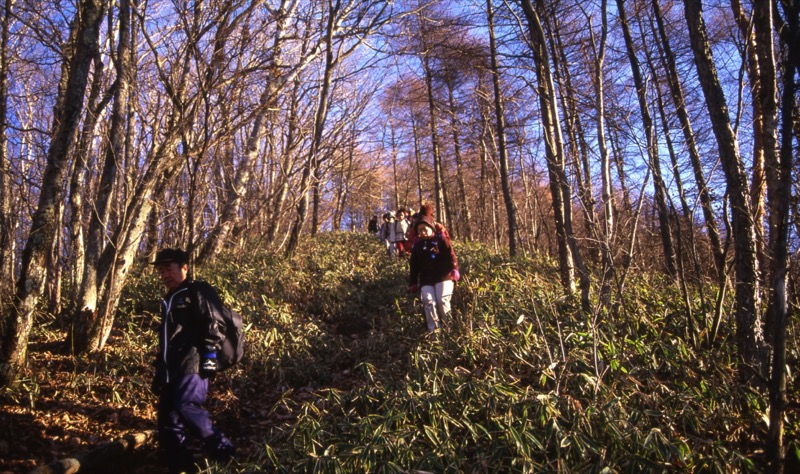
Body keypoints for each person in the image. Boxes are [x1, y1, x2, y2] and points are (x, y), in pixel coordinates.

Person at [150, 248, 236, 473]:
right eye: (161, 271)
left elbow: (213, 323)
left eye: (169, 269)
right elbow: (167, 340)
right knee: (168, 421)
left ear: (184, 267)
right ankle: (181, 466)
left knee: (187, 407)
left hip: (192, 363)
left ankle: (225, 451)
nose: (165, 275)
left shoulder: (197, 290)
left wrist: (209, 356)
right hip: (171, 369)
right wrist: (160, 372)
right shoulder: (169, 299)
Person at [408, 215, 460, 332]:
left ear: (431, 228)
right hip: (426, 279)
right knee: (429, 303)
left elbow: (451, 254)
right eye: (419, 230)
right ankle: (434, 331)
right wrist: (413, 282)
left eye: (424, 228)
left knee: (442, 300)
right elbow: (414, 266)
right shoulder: (417, 246)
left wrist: (454, 268)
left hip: (444, 276)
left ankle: (448, 329)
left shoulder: (441, 240)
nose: (422, 232)